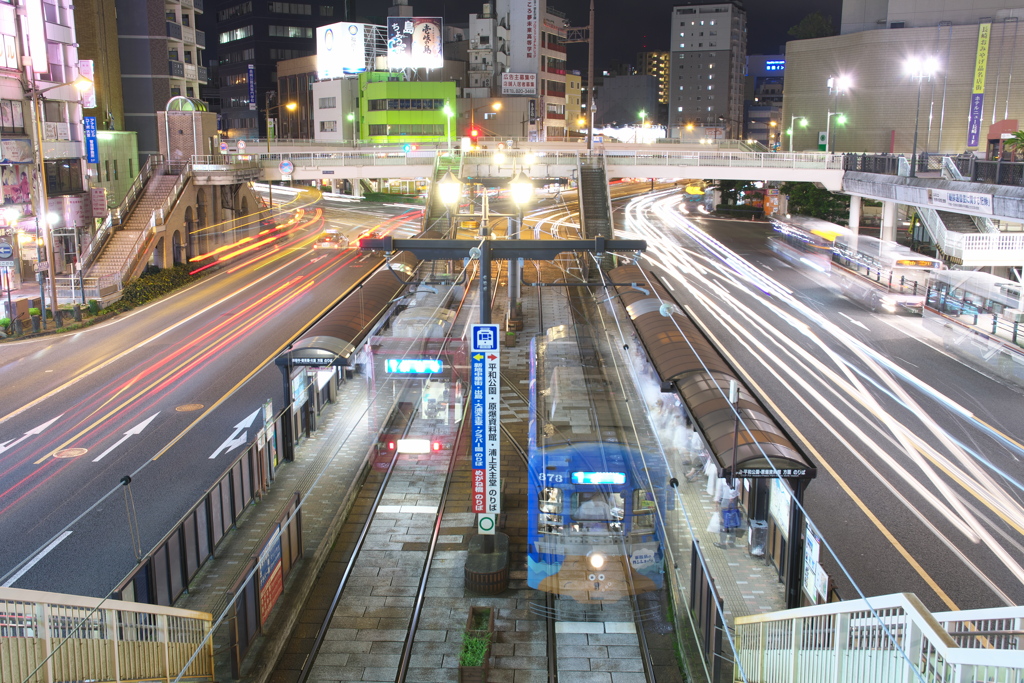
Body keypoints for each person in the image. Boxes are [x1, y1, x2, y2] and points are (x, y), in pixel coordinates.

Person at [713, 480, 741, 549]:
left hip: (725, 500)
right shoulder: (735, 476)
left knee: (723, 521)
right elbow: (737, 485)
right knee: (732, 520)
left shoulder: (722, 478)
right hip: (734, 500)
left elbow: (719, 491)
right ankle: (731, 542)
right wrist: (733, 496)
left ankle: (722, 542)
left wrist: (716, 502)